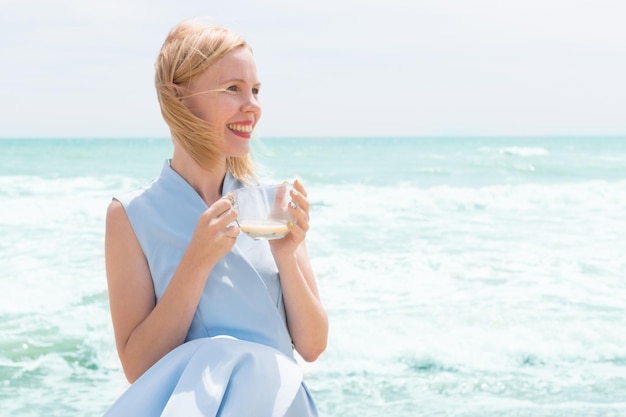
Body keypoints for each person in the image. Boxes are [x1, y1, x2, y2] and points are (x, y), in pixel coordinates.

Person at [103, 18, 328, 417]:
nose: (253, 106)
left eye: (255, 90)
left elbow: (311, 345)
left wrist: (286, 257)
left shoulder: (271, 205)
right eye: (232, 89)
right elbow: (139, 368)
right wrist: (197, 260)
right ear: (180, 96)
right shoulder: (131, 216)